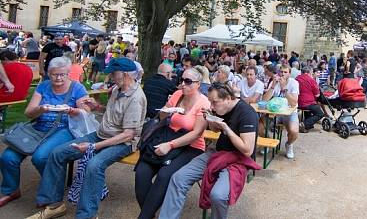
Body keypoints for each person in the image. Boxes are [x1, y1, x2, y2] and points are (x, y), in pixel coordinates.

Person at [27, 58, 146, 219]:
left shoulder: (136, 97)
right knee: (58, 153)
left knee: (93, 165)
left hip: (122, 142)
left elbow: (128, 134)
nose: (110, 76)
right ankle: (54, 205)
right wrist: (97, 107)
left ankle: (87, 215)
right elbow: (116, 114)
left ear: (124, 74)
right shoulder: (118, 89)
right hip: (101, 135)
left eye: (112, 73)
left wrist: (92, 147)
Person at [158, 83, 258, 219]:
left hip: (238, 159)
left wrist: (227, 129)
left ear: (228, 98)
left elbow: (247, 150)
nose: (211, 106)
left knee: (218, 195)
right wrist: (210, 119)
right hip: (217, 153)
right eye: (210, 101)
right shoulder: (219, 108)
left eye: (214, 102)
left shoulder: (247, 113)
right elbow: (216, 130)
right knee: (178, 178)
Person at [0, 57, 90, 207]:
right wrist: (40, 109)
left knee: (41, 157)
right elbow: (29, 113)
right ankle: (11, 190)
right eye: (54, 74)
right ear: (48, 73)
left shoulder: (77, 87)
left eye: (62, 74)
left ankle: (53, 193)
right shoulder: (44, 86)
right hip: (39, 127)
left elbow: (86, 111)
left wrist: (73, 110)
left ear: (68, 73)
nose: (58, 78)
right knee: (8, 157)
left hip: (64, 129)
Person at [135, 68, 210, 219]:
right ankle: (149, 214)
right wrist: (167, 111)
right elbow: (161, 117)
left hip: (191, 147)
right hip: (167, 138)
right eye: (181, 80)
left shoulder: (204, 103)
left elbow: (196, 134)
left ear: (198, 84)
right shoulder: (177, 95)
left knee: (164, 175)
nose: (183, 84)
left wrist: (170, 145)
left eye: (188, 81)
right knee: (141, 173)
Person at [262, 64, 299, 159]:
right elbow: (265, 100)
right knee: (259, 126)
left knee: (294, 131)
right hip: (275, 113)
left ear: (289, 74)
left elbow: (294, 103)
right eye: (281, 72)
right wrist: (273, 86)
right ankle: (268, 143)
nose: (282, 74)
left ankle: (289, 144)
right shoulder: (274, 81)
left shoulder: (294, 83)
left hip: (290, 113)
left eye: (285, 72)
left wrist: (284, 88)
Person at [296, 66, 324, 133]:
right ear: (310, 72)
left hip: (297, 102)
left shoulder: (296, 79)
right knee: (320, 113)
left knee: (309, 109)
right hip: (308, 103)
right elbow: (317, 95)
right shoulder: (311, 80)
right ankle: (304, 124)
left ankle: (308, 125)